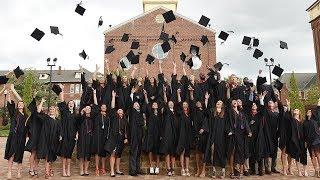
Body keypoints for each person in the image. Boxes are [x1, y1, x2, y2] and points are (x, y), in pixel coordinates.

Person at [4, 84, 28, 179]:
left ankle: (19, 172)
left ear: (23, 105)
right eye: (19, 103)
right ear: (17, 105)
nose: (20, 104)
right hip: (13, 136)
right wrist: (9, 93)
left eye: (22, 103)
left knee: (20, 155)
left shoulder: (26, 116)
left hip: (22, 138)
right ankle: (9, 172)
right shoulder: (14, 113)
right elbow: (9, 102)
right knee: (12, 153)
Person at [104, 91, 128, 177]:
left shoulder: (125, 120)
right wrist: (113, 96)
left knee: (118, 155)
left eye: (121, 110)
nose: (120, 110)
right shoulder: (114, 117)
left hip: (121, 139)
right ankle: (112, 171)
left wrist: (126, 138)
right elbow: (113, 107)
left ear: (123, 112)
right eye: (119, 110)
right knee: (113, 154)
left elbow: (125, 130)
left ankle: (117, 170)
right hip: (113, 138)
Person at [227, 99, 252, 178]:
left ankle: (241, 172)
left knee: (240, 153)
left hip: (241, 135)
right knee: (232, 153)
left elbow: (245, 123)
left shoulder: (241, 113)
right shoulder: (230, 112)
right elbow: (228, 122)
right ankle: (232, 172)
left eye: (236, 101)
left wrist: (249, 131)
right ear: (231, 104)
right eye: (233, 101)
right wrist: (229, 130)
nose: (235, 101)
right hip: (233, 135)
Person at [36, 98, 60, 179]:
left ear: (55, 110)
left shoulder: (57, 120)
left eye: (53, 109)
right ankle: (46, 173)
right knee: (47, 156)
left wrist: (60, 136)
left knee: (52, 157)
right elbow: (38, 111)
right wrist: (42, 102)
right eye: (50, 109)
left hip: (54, 141)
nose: (52, 110)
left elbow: (59, 130)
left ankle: (50, 169)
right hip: (46, 140)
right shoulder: (46, 118)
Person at [205, 94, 227, 178]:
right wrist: (206, 100)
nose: (218, 102)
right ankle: (214, 171)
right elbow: (206, 111)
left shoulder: (225, 113)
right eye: (217, 102)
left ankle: (223, 171)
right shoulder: (212, 111)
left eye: (220, 102)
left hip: (222, 136)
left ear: (222, 105)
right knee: (213, 152)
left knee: (222, 153)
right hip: (213, 135)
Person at [57, 85, 77, 177]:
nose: (71, 104)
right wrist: (62, 90)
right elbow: (62, 101)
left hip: (72, 136)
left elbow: (77, 126)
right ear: (68, 104)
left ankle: (68, 169)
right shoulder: (65, 112)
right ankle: (63, 170)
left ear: (74, 105)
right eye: (70, 102)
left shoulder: (76, 116)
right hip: (65, 135)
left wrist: (77, 134)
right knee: (64, 154)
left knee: (69, 154)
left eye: (73, 103)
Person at [159, 85, 179, 176]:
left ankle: (173, 168)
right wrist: (164, 93)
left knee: (173, 153)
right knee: (167, 152)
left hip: (174, 135)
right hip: (167, 134)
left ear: (173, 105)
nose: (170, 103)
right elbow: (165, 100)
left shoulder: (176, 113)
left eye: (172, 103)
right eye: (169, 103)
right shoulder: (167, 111)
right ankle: (168, 169)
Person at [76, 90, 97, 176]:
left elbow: (96, 107)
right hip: (82, 137)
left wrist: (94, 94)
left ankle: (86, 170)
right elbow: (77, 124)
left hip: (90, 137)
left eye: (89, 108)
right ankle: (81, 170)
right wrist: (81, 112)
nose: (88, 109)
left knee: (87, 155)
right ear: (84, 109)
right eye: (86, 108)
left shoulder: (93, 117)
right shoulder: (81, 117)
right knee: (81, 154)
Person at [286, 99, 308, 177]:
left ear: (299, 112)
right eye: (294, 110)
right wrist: (289, 106)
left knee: (304, 156)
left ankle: (305, 171)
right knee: (297, 156)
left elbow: (305, 132)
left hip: (302, 141)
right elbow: (288, 115)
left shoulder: (302, 121)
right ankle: (299, 171)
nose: (295, 110)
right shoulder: (292, 120)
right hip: (295, 141)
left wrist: (306, 141)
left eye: (297, 110)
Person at [142, 89, 162, 175]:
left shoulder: (160, 115)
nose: (154, 104)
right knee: (150, 150)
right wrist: (146, 95)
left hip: (157, 134)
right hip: (150, 133)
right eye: (153, 104)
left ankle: (157, 166)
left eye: (155, 104)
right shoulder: (150, 113)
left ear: (157, 106)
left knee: (157, 151)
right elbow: (147, 103)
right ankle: (151, 166)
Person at [190, 88, 209, 177]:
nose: (197, 103)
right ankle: (198, 170)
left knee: (203, 153)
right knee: (197, 153)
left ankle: (203, 171)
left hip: (204, 134)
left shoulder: (205, 111)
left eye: (199, 102)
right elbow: (192, 100)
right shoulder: (194, 111)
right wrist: (191, 93)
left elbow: (207, 119)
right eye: (196, 102)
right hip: (196, 134)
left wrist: (204, 128)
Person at [92, 91, 110, 176]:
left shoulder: (108, 117)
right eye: (102, 106)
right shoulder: (97, 114)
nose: (103, 107)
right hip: (97, 136)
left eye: (104, 106)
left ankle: (103, 168)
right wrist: (94, 94)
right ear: (100, 108)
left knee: (103, 153)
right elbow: (95, 105)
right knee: (97, 153)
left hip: (104, 136)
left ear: (106, 108)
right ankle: (96, 168)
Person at [176, 88, 193, 177]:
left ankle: (187, 168)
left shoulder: (189, 115)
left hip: (188, 136)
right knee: (182, 152)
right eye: (184, 104)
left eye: (186, 104)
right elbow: (178, 103)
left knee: (187, 154)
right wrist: (178, 94)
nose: (185, 105)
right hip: (182, 135)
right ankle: (182, 169)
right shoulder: (180, 113)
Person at [128, 87, 145, 176]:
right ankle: (132, 170)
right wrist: (132, 94)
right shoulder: (132, 112)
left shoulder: (140, 113)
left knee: (138, 153)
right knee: (134, 153)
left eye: (137, 105)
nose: (136, 105)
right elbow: (131, 102)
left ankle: (137, 169)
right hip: (134, 135)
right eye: (135, 105)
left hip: (139, 135)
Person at [25, 92, 41, 178]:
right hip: (34, 136)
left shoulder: (42, 115)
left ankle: (35, 169)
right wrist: (34, 97)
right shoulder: (34, 114)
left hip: (40, 137)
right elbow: (34, 108)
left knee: (38, 154)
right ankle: (31, 169)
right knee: (33, 153)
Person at [303, 100, 320, 177]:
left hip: (316, 139)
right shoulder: (305, 122)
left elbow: (318, 111)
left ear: (312, 113)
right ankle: (316, 171)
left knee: (318, 154)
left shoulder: (315, 120)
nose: (308, 112)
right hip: (309, 141)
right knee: (312, 155)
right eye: (307, 112)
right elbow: (303, 133)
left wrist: (318, 104)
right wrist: (305, 141)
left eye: (310, 111)